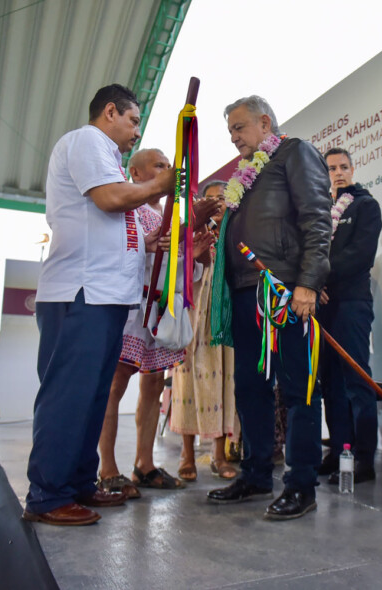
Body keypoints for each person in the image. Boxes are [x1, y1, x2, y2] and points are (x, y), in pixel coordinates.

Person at [24, 84, 179, 526]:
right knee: (69, 395)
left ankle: (76, 483)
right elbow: (110, 200)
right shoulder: (88, 140)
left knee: (92, 398)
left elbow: (110, 227)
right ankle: (47, 495)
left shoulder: (107, 157)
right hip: (81, 292)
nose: (136, 131)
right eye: (132, 120)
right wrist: (163, 182)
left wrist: (146, 243)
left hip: (107, 295)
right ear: (109, 112)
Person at [207, 96, 332, 520]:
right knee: (250, 387)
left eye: (239, 128)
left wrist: (308, 284)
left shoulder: (293, 153)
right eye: (230, 132)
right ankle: (257, 473)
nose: (234, 138)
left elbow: (317, 218)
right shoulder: (248, 173)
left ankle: (301, 485)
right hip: (245, 292)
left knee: (298, 390)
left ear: (265, 123)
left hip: (283, 293)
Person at [97, 148, 216, 497]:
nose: (167, 170)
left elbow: (182, 274)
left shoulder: (168, 213)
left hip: (159, 313)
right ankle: (107, 467)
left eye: (168, 165)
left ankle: (144, 464)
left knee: (152, 386)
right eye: (159, 165)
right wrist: (178, 237)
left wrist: (194, 255)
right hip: (133, 310)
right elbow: (127, 256)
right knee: (114, 386)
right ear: (135, 172)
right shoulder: (125, 208)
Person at [317, 147, 382, 485]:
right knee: (330, 382)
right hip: (320, 305)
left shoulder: (365, 206)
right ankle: (339, 451)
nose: (338, 173)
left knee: (357, 379)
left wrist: (318, 278)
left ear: (353, 170)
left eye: (343, 167)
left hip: (351, 303)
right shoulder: (319, 211)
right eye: (331, 168)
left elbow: (360, 256)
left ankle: (364, 458)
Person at [171, 180, 239, 483]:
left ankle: (219, 454)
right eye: (210, 199)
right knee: (187, 381)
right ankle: (187, 455)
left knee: (226, 381)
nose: (216, 204)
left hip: (224, 317)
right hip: (193, 314)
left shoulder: (237, 233)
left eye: (221, 199)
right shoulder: (190, 233)